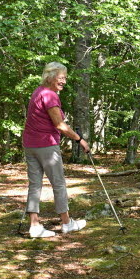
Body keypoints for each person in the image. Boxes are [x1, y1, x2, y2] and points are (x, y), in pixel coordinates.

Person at [22, 62, 90, 238]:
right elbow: (59, 125)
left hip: (30, 145)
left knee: (35, 184)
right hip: (46, 145)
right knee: (58, 183)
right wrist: (80, 139)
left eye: (65, 78)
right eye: (61, 78)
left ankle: (35, 226)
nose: (64, 82)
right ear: (50, 77)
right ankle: (67, 223)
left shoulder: (37, 92)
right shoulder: (50, 96)